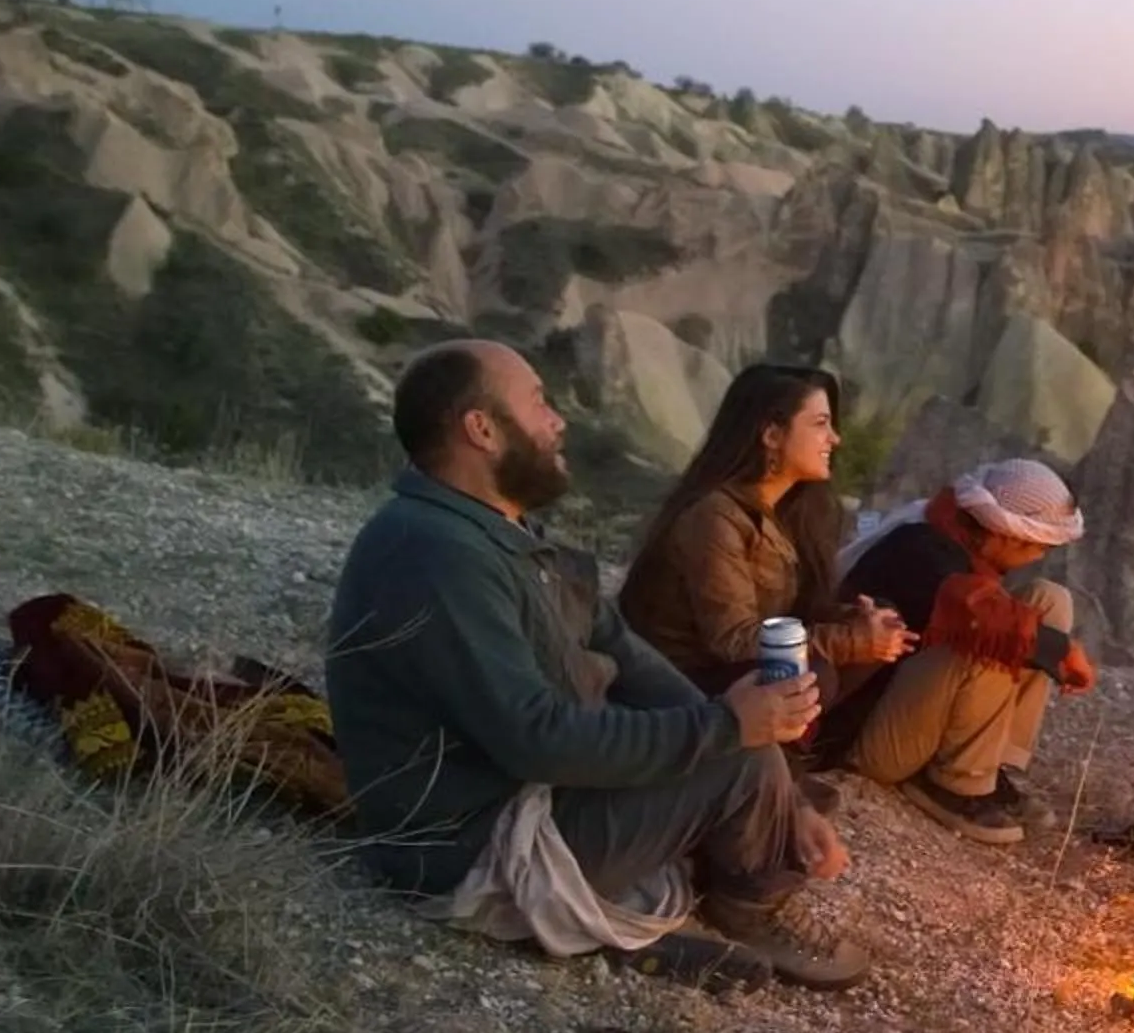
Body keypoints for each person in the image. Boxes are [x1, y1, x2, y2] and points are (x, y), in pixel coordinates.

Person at [326, 340, 866, 989]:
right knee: (735, 754)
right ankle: (748, 906)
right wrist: (726, 731)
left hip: (535, 798)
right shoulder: (437, 553)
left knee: (744, 740)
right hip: (476, 848)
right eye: (538, 403)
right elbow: (538, 739)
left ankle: (717, 861)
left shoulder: (502, 535)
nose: (558, 421)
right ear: (482, 428)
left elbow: (627, 655)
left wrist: (780, 782)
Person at [823, 459, 1095, 845]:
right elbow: (976, 612)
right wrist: (1061, 649)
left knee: (1050, 601)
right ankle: (956, 782)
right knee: (989, 638)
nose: (1038, 556)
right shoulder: (919, 547)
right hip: (866, 737)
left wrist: (1056, 645)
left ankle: (991, 762)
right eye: (1037, 546)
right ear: (1006, 535)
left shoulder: (954, 534)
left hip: (913, 706)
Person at [617, 362, 914, 698]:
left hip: (739, 669)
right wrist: (850, 640)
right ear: (772, 435)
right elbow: (735, 641)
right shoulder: (714, 516)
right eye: (820, 424)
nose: (835, 438)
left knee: (886, 624)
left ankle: (833, 750)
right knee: (813, 672)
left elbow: (797, 613)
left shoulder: (791, 513)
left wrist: (857, 621)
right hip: (684, 688)